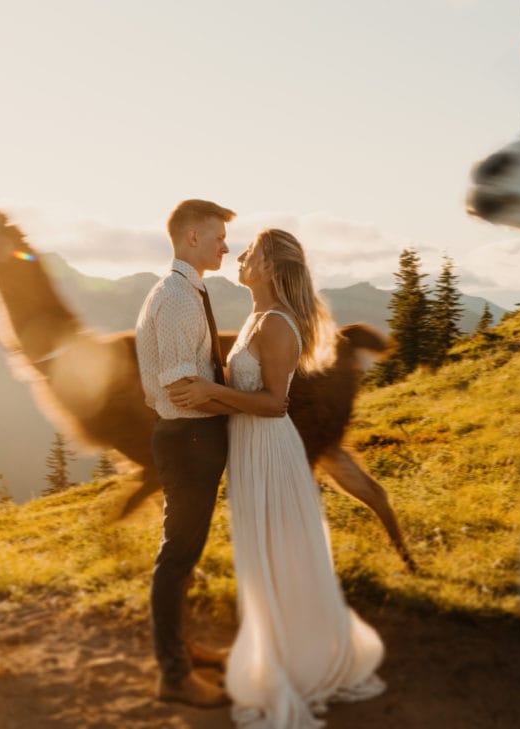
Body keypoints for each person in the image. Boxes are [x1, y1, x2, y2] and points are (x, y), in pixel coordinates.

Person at [167, 229, 385, 728]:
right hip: (250, 449)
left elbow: (273, 404)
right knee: (260, 554)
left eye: (250, 252)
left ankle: (295, 663)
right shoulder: (258, 318)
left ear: (268, 266)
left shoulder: (277, 323)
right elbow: (243, 395)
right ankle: (280, 649)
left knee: (276, 555)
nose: (239, 255)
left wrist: (208, 393)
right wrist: (198, 395)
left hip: (269, 449)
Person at [134, 198, 247, 708]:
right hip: (189, 439)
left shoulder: (186, 290)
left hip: (192, 438)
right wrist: (247, 405)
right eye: (218, 236)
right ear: (192, 237)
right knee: (177, 556)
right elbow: (183, 390)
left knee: (185, 553)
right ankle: (174, 675)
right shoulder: (178, 298)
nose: (226, 245)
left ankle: (181, 648)